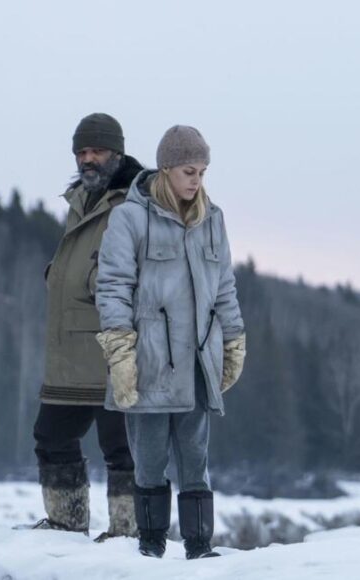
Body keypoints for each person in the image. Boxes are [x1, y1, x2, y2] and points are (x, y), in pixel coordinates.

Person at [94, 125, 247, 559]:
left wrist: (234, 342)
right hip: (149, 363)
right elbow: (113, 287)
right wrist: (120, 353)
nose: (196, 180)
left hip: (197, 362)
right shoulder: (129, 218)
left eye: (202, 171)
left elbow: (224, 290)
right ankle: (150, 547)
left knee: (196, 460)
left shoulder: (212, 219)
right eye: (188, 170)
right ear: (165, 170)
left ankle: (200, 547)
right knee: (149, 460)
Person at [29, 113, 143, 541]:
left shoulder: (138, 201)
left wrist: (97, 280)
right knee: (50, 436)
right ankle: (65, 526)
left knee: (123, 449)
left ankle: (129, 535)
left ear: (116, 152)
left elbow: (137, 268)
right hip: (70, 352)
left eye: (95, 150)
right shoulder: (80, 197)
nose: (87, 158)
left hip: (115, 348)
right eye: (81, 151)